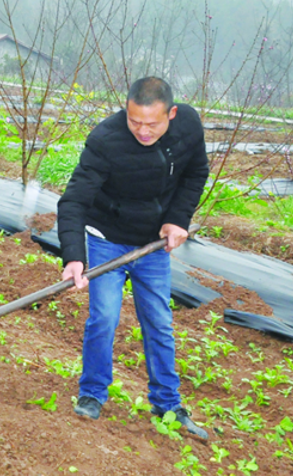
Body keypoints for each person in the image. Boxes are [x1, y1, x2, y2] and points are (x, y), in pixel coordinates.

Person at [59, 76, 209, 439]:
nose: (142, 131)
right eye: (134, 121)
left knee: (158, 321)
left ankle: (167, 404)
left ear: (171, 114)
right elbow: (74, 201)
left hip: (151, 245)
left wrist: (177, 219)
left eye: (152, 124)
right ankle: (92, 393)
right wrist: (74, 257)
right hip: (107, 238)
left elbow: (195, 173)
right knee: (105, 317)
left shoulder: (188, 127)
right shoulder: (105, 140)